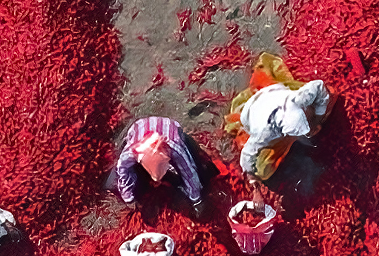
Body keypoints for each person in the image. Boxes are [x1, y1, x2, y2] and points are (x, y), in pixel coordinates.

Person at [228, 58, 331, 186]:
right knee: (263, 170)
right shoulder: (265, 133)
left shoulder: (299, 98)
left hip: (273, 93)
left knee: (330, 97)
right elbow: (247, 154)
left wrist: (319, 116)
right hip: (252, 111)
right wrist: (253, 180)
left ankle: (310, 122)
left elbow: (318, 85)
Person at [110, 115, 207, 213]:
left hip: (169, 128)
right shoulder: (131, 152)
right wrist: (129, 198)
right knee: (119, 179)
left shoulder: (175, 149)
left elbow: (189, 173)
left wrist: (196, 200)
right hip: (139, 127)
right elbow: (122, 169)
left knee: (197, 167)